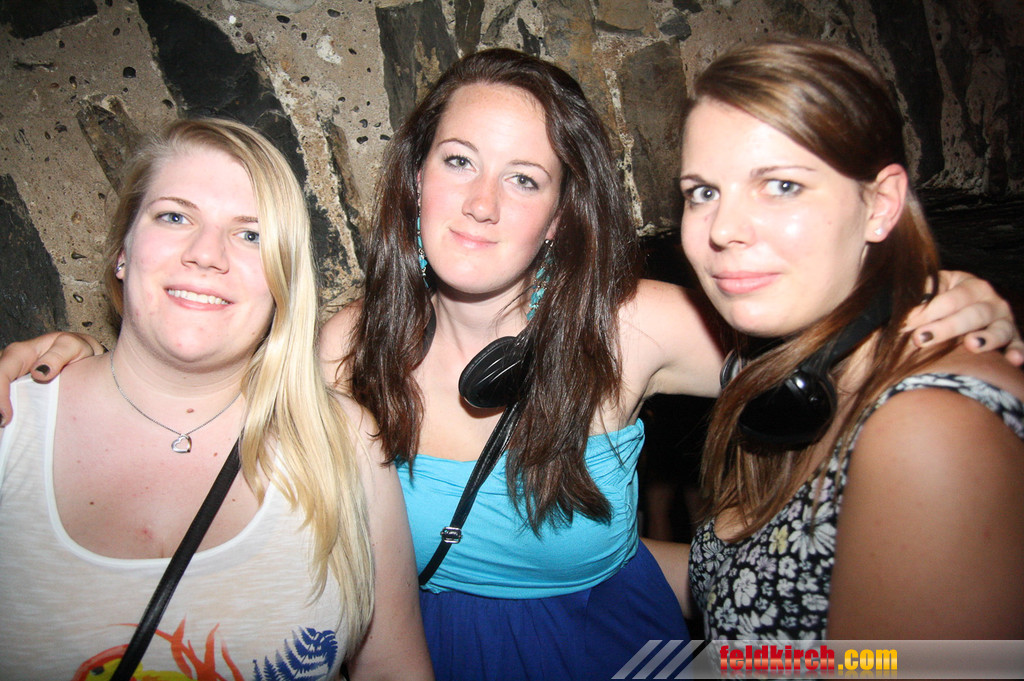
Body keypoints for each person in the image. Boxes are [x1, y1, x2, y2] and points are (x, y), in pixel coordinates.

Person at [1, 50, 1020, 677]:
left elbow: (829, 355)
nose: (483, 203)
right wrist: (74, 355)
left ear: (559, 216)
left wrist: (929, 301)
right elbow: (189, 382)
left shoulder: (633, 326)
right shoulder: (337, 348)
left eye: (525, 178)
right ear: (414, 182)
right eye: (458, 161)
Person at [0, 118, 432, 680]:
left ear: (283, 279)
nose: (206, 254)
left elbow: (392, 669)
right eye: (174, 216)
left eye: (251, 235)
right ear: (122, 251)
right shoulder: (12, 424)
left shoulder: (346, 445)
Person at [680, 38, 1024, 639]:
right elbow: (751, 588)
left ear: (881, 204)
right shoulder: (781, 366)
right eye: (702, 193)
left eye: (781, 185)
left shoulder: (931, 427)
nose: (724, 229)